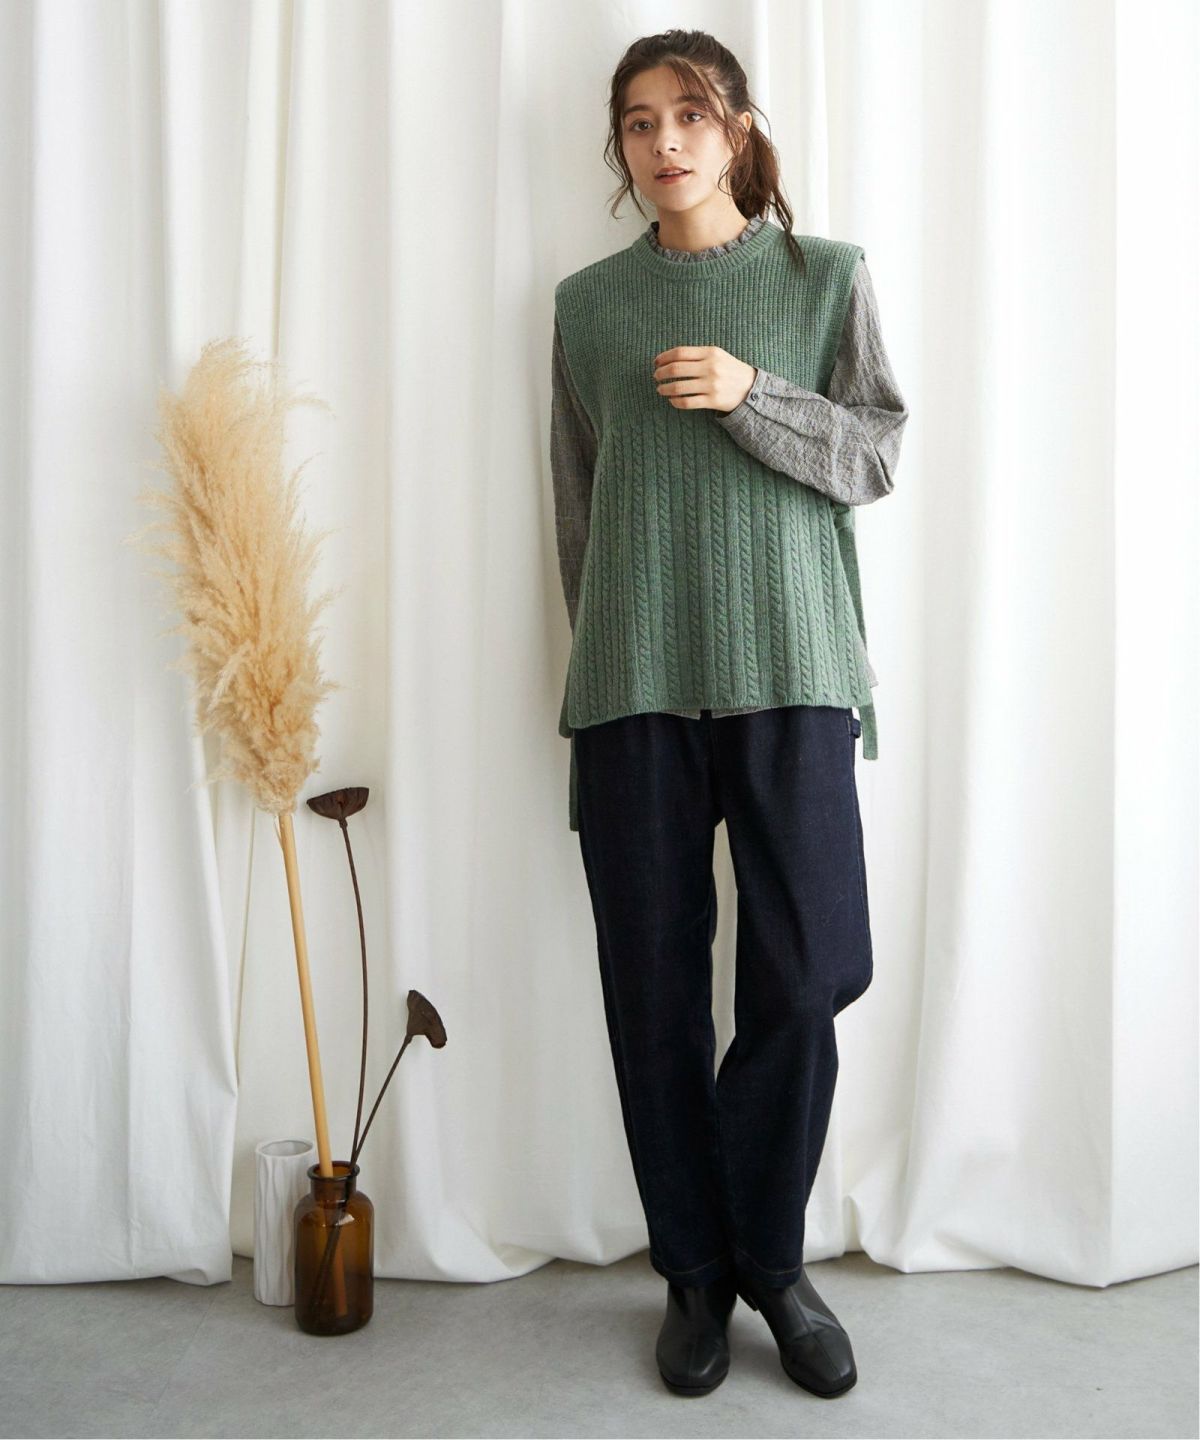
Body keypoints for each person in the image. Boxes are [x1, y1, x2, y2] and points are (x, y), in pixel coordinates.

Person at [550, 28, 908, 1400]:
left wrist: (755, 395)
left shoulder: (827, 278)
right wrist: (602, 656)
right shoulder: (587, 306)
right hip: (634, 683)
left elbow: (875, 454)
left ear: (740, 128)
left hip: (796, 670)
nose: (665, 143)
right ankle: (695, 1273)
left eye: (690, 115)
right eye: (640, 122)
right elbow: (577, 510)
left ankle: (772, 1256)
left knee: (810, 972)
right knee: (650, 989)